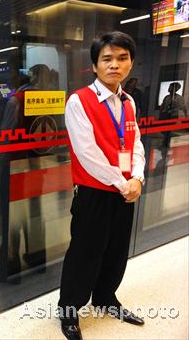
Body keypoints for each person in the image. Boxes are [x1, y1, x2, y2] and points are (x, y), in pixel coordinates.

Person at [58, 31, 146, 340]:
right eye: (107, 59)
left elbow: (135, 144)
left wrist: (138, 177)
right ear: (95, 66)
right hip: (95, 191)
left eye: (122, 58)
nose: (115, 65)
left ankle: (106, 298)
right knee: (85, 253)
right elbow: (87, 153)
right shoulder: (79, 101)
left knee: (116, 250)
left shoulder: (129, 101)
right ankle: (69, 311)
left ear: (131, 64)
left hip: (123, 189)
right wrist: (123, 183)